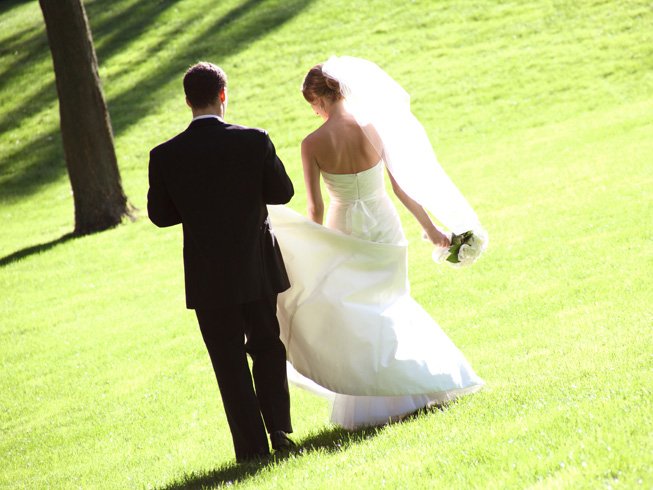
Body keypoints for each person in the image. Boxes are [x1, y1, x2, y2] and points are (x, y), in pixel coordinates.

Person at [266, 56, 485, 429]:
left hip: (343, 229)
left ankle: (377, 398)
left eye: (313, 106)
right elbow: (401, 187)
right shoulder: (373, 127)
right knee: (393, 302)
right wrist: (431, 229)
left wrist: (312, 249)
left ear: (320, 100)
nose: (315, 113)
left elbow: (315, 206)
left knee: (356, 313)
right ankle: (421, 384)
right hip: (384, 225)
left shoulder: (312, 143)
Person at [147, 62, 295, 461]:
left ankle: (251, 450)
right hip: (257, 267)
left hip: (208, 275)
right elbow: (282, 192)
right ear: (223, 95)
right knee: (267, 347)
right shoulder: (254, 140)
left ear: (187, 101)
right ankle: (280, 431)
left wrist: (197, 207)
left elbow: (160, 215)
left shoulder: (164, 155)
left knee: (228, 363)